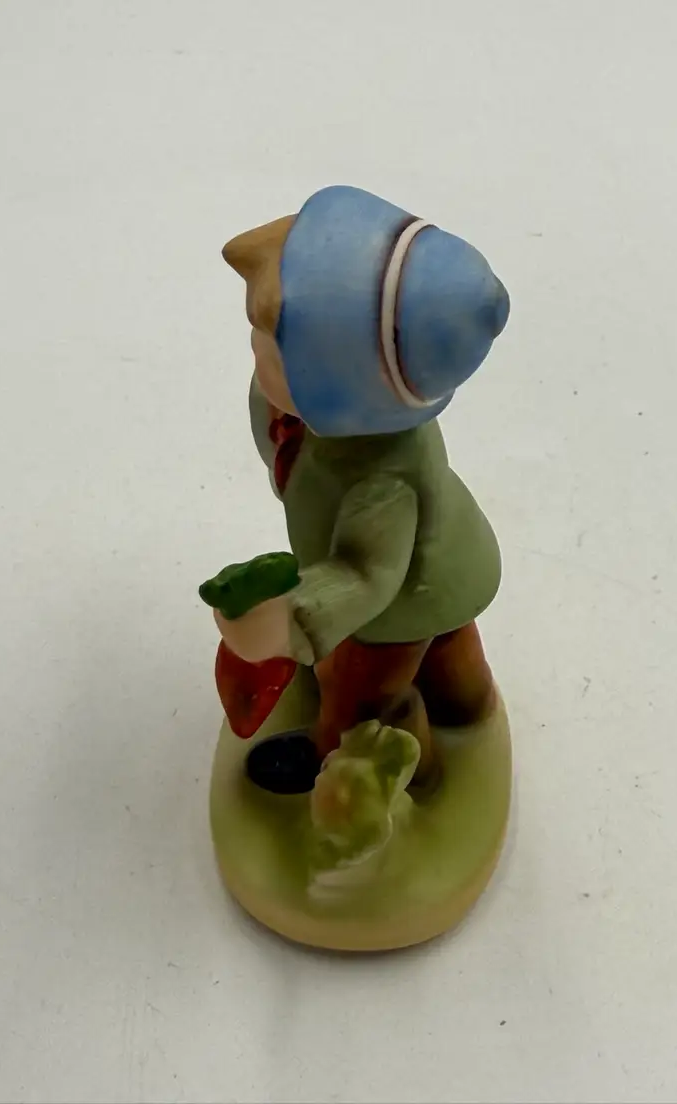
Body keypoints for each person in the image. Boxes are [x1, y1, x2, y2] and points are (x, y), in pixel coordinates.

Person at [215, 185, 510, 790]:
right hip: (446, 566)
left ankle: (373, 767)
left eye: (274, 353)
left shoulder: (384, 478)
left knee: (363, 694)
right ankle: (464, 701)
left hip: (400, 596)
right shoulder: (326, 416)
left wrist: (288, 621)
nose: (256, 354)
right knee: (447, 653)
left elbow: (365, 574)